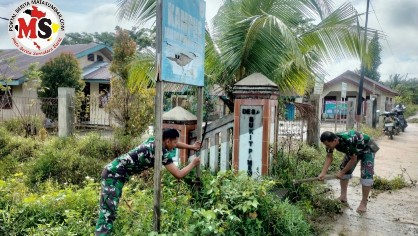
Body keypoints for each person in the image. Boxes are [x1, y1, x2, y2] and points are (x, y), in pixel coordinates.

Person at [95, 128, 201, 235]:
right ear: (167, 141)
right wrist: (193, 163)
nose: (175, 146)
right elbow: (179, 175)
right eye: (174, 142)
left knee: (109, 211)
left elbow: (176, 143)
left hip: (113, 172)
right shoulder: (161, 152)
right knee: (107, 212)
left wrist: (191, 147)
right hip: (113, 175)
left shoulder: (155, 140)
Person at [318, 130, 376, 213]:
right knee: (343, 168)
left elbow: (353, 159)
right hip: (354, 150)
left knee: (366, 174)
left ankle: (364, 203)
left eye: (328, 145)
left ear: (334, 141)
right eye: (326, 145)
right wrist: (323, 172)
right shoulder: (329, 142)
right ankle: (343, 196)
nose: (327, 146)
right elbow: (329, 157)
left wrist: (342, 172)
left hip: (367, 148)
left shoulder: (348, 140)